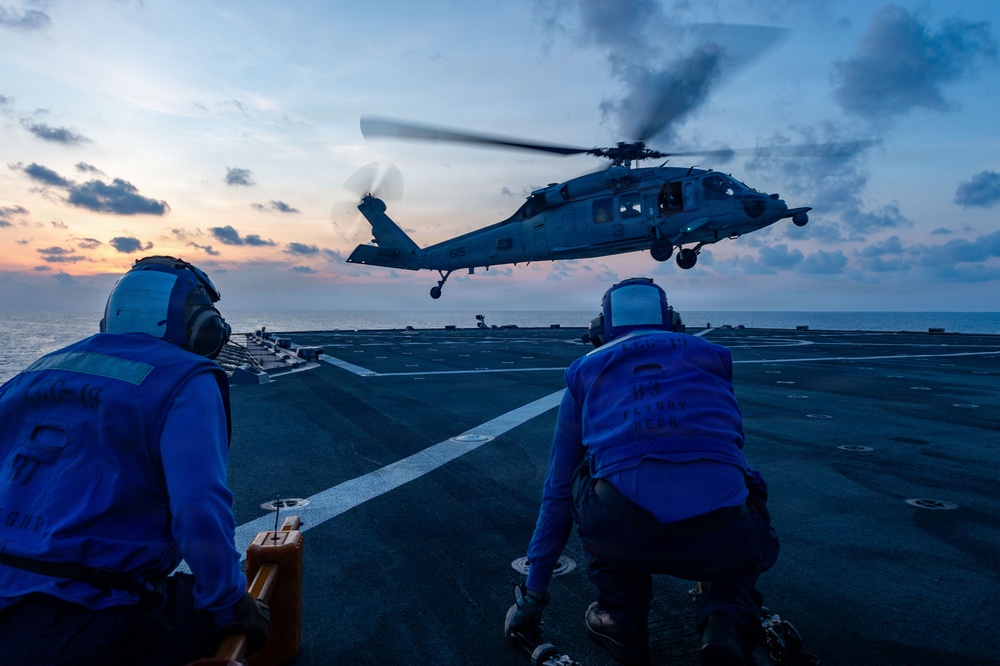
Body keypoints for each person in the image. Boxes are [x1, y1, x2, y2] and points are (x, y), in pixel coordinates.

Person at [0, 256, 269, 665]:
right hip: (89, 615)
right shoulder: (185, 378)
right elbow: (199, 508)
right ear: (203, 328)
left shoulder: (32, 373)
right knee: (238, 616)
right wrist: (228, 605)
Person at [505, 278, 778, 666]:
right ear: (675, 323)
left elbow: (557, 493)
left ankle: (621, 618)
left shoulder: (585, 371)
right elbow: (729, 452)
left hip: (626, 532)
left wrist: (532, 597)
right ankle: (725, 618)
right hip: (723, 535)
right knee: (745, 483)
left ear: (598, 332)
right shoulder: (711, 358)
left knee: (586, 478)